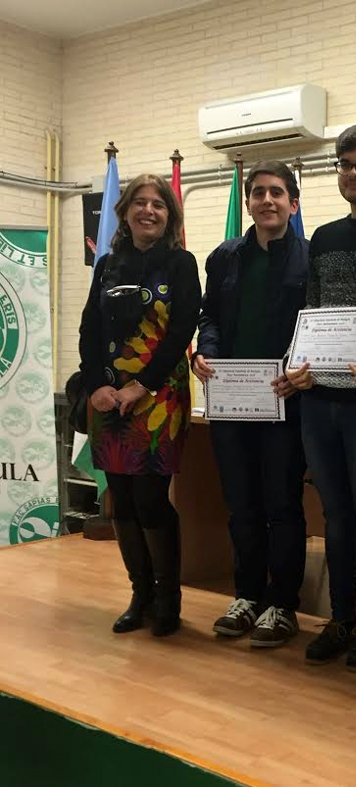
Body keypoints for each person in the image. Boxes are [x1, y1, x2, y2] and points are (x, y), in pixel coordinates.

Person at [285, 123, 356, 671]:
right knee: (335, 516)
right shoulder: (324, 237)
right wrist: (299, 364)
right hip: (320, 401)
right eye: (346, 164)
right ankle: (340, 619)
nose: (354, 173)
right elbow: (311, 312)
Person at [79, 173, 201, 637]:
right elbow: (89, 330)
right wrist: (96, 385)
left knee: (151, 499)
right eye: (140, 202)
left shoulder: (180, 263)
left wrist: (141, 387)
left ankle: (168, 599)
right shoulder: (108, 265)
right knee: (122, 501)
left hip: (158, 397)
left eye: (159, 204)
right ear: (125, 211)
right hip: (108, 398)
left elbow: (182, 330)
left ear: (170, 216)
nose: (149, 210)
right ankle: (140, 595)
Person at [192, 161, 308, 648]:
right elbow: (210, 316)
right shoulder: (224, 257)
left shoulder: (309, 258)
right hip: (232, 403)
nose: (267, 200)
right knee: (241, 505)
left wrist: (303, 370)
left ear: (293, 204)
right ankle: (246, 597)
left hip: (284, 401)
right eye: (258, 192)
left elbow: (318, 325)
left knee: (282, 505)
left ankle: (283, 605)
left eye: (276, 192)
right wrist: (204, 352)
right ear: (249, 202)